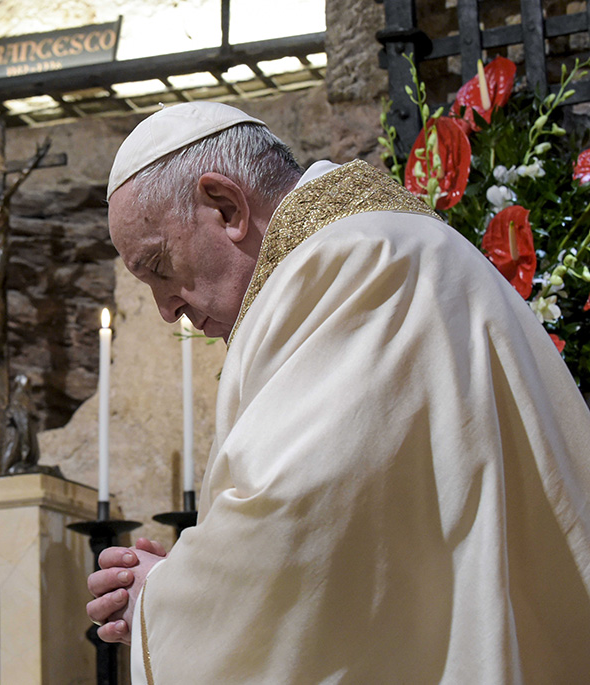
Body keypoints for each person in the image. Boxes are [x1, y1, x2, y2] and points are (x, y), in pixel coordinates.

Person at [86, 101, 590, 683]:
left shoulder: (357, 268)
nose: (166, 309)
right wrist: (199, 580)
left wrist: (171, 600)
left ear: (225, 207)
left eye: (160, 267)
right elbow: (376, 543)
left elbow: (298, 518)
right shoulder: (387, 247)